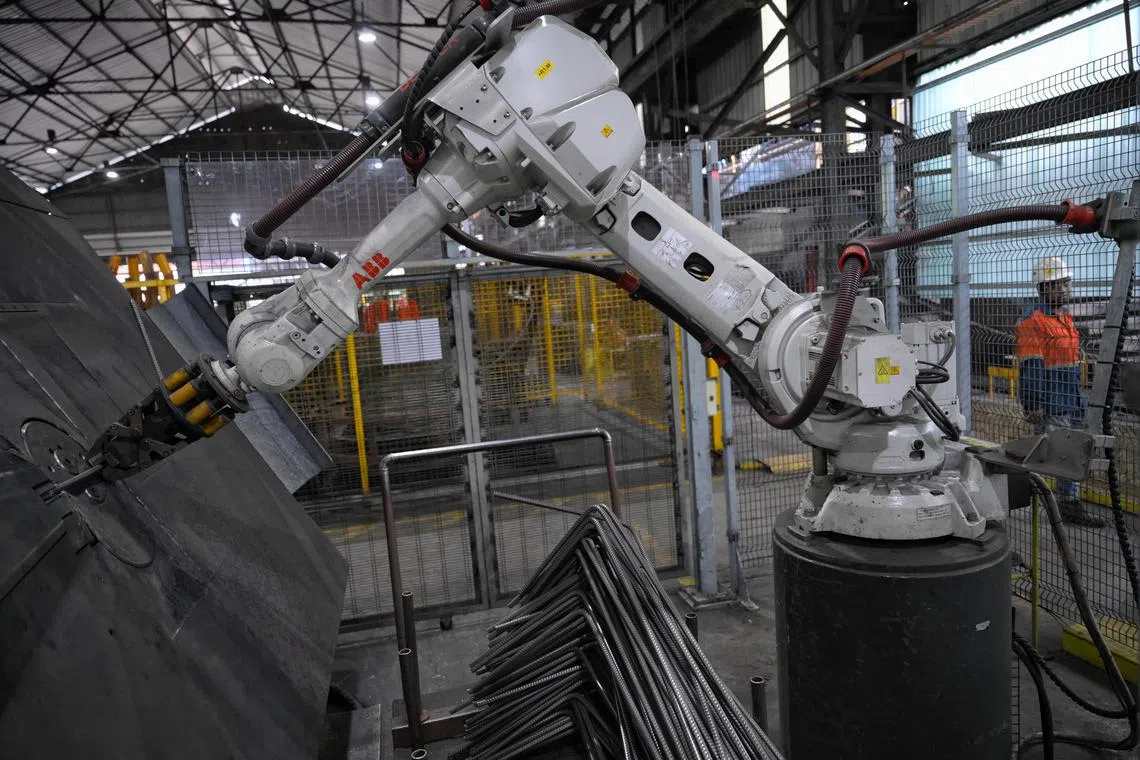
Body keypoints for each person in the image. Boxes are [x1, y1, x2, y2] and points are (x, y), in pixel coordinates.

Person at [1014, 256, 1105, 527]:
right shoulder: (1033, 321)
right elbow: (1031, 366)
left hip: (1072, 398)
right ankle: (1064, 506)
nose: (1065, 289)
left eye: (1067, 283)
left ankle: (1067, 503)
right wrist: (1032, 404)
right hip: (1051, 403)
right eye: (1058, 285)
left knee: (1074, 451)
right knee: (1059, 455)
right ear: (1043, 288)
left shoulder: (1064, 317)